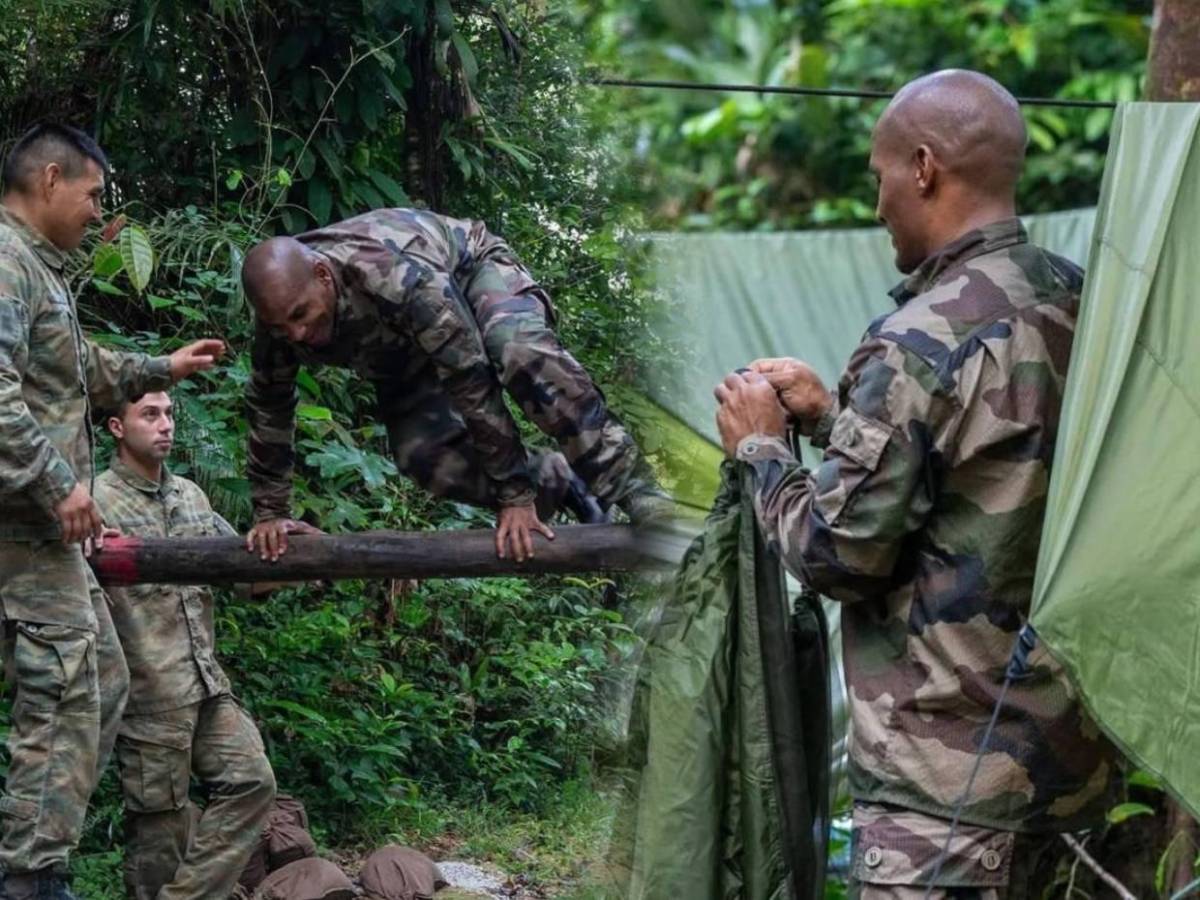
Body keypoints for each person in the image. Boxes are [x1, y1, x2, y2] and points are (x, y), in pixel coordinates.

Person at [714, 70, 1114, 899]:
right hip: (1067, 773)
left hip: (947, 792)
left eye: (880, 176)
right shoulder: (1083, 301)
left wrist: (762, 452)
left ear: (924, 167)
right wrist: (834, 420)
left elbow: (837, 554)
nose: (878, 202)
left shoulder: (920, 339)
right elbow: (987, 475)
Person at [0, 123, 224, 899]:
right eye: (94, 195)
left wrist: (165, 366)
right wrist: (59, 483)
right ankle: (30, 877)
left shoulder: (39, 269)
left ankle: (39, 855)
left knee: (98, 673)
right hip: (23, 529)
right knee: (62, 685)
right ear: (50, 178)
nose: (100, 212)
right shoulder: (4, 261)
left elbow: (81, 371)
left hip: (43, 533)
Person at [239, 208, 666, 564]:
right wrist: (271, 513)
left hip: (471, 274)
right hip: (404, 351)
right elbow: (269, 406)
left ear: (323, 276)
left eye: (301, 315)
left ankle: (637, 490)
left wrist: (513, 497)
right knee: (424, 456)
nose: (295, 334)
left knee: (518, 351)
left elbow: (471, 381)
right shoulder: (278, 319)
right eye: (281, 326)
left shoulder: (395, 275)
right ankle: (560, 479)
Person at [93, 391, 276, 900]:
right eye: (150, 415)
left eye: (169, 414)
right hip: (149, 691)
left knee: (252, 781)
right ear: (116, 426)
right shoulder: (94, 501)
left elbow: (243, 575)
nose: (165, 425)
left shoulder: (192, 496)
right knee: (159, 834)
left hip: (206, 684)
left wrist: (291, 552)